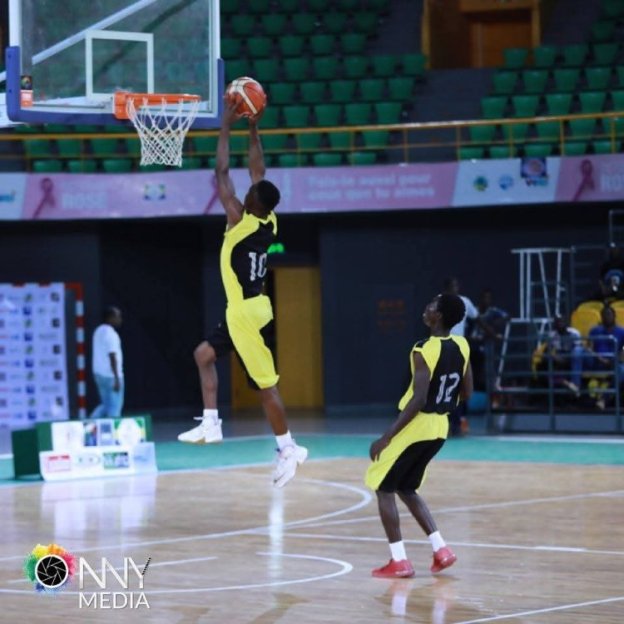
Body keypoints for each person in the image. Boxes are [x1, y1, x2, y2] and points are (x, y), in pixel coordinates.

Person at [177, 103, 307, 488]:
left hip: (245, 314)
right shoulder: (269, 220)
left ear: (251, 203)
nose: (248, 188)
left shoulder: (238, 217)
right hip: (252, 308)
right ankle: (211, 422)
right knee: (203, 355)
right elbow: (258, 170)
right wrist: (253, 128)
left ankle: (288, 448)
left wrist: (225, 126)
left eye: (249, 192)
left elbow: (221, 172)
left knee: (266, 387)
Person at [365, 293, 473, 578]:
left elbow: (419, 399)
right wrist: (444, 400)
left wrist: (387, 437)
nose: (427, 307)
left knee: (383, 487)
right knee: (406, 487)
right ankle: (441, 550)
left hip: (418, 425)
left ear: (439, 316)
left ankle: (399, 561)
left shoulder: (422, 348)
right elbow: (467, 392)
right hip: (440, 428)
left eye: (432, 305)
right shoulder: (462, 345)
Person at [442, 278, 477, 435]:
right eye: (452, 286)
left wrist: (489, 334)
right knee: (443, 384)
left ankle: (457, 422)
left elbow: (476, 318)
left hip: (459, 348)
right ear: (447, 288)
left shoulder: (465, 301)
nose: (455, 288)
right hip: (442, 346)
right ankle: (445, 423)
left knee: (459, 385)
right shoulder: (439, 300)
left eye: (456, 286)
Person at [90, 306, 124, 419]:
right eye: (118, 316)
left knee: (106, 405)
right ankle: (114, 427)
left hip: (99, 374)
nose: (120, 319)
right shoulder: (111, 334)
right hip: (111, 376)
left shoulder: (98, 331)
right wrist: (116, 378)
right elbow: (112, 356)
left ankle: (90, 422)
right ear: (110, 318)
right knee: (114, 407)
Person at [587, 305, 624, 409]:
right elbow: (589, 348)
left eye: (609, 314)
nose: (607, 317)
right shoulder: (594, 330)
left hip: (614, 362)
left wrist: (615, 359)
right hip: (596, 361)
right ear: (601, 316)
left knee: (622, 371)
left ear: (614, 316)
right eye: (605, 315)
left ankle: (603, 399)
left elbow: (623, 349)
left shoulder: (622, 332)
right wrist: (599, 358)